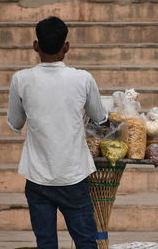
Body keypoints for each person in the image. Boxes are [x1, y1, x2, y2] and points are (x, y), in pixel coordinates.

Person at [7, 16, 107, 249]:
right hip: (73, 175)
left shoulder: (21, 79)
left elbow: (15, 122)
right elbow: (99, 117)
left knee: (46, 242)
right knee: (85, 241)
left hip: (37, 177)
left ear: (35, 45)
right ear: (66, 47)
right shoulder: (83, 78)